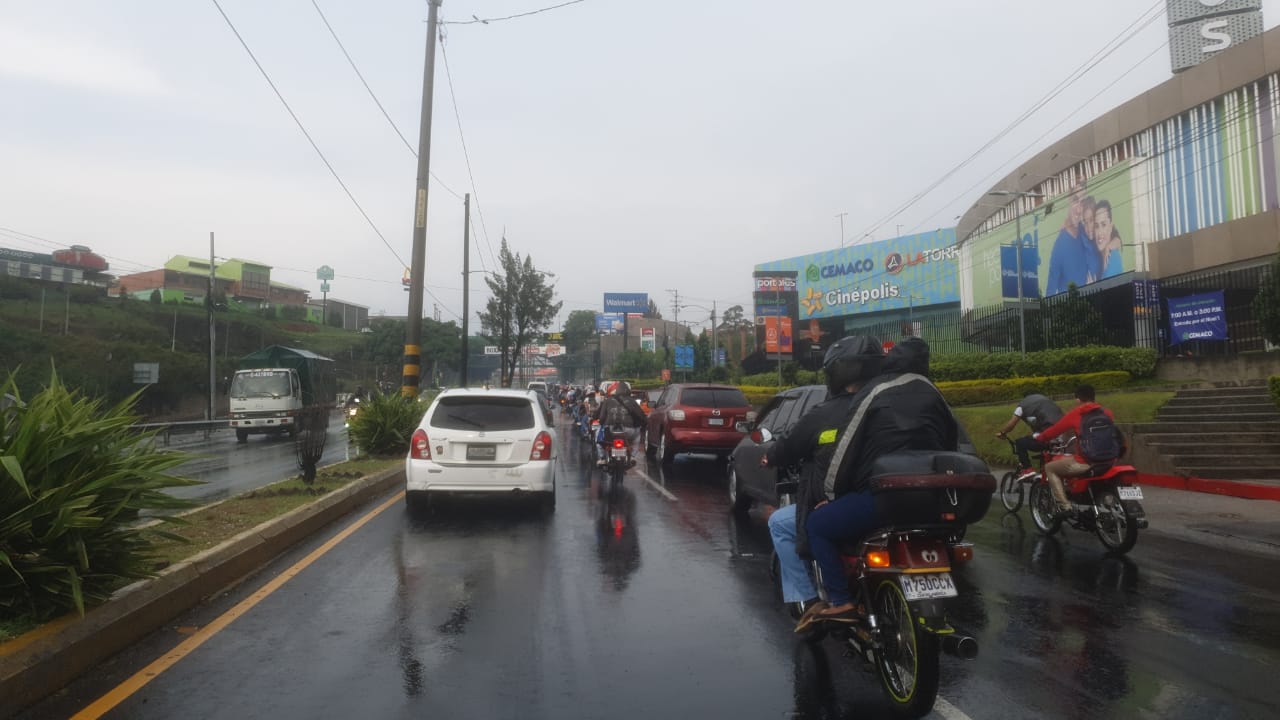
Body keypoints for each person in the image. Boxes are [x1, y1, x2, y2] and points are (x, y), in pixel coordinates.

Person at [797, 336, 960, 627]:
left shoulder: (874, 391)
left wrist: (830, 497)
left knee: (817, 525)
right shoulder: (934, 392)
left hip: (883, 499)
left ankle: (841, 601)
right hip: (931, 500)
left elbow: (845, 450)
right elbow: (952, 443)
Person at [761, 336, 887, 620]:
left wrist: (771, 457)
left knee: (781, 523)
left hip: (849, 501)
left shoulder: (828, 412)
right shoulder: (889, 403)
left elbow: (790, 445)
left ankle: (811, 600)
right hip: (898, 497)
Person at [1033, 384, 1122, 517]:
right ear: (1093, 397)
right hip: (1110, 461)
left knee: (1050, 468)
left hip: (1087, 462)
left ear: (1078, 399)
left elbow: (1054, 430)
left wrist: (1039, 438)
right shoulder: (1106, 412)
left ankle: (1065, 506)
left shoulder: (1077, 413)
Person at [1045, 183, 1100, 296]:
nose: (1079, 210)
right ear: (1068, 200)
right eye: (1075, 200)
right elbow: (1050, 293)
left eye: (1082, 202)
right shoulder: (1059, 247)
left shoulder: (1086, 231)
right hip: (1072, 306)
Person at [995, 391, 1065, 479]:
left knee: (1020, 443)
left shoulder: (1022, 405)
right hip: (1063, 436)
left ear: (1025, 397)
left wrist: (1003, 433)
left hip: (1046, 436)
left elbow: (1012, 424)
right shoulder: (1048, 401)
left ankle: (1027, 469)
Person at [594, 381, 646, 466]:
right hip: (628, 431)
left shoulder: (607, 401)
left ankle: (602, 458)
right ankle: (632, 457)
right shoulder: (632, 401)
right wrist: (643, 424)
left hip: (610, 430)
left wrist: (603, 424)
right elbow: (641, 415)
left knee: (598, 437)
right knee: (637, 437)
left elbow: (602, 417)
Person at [1093, 200, 1123, 279]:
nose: (1099, 232)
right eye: (1096, 226)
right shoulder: (1102, 258)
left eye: (1104, 225)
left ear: (1110, 227)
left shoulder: (1112, 259)